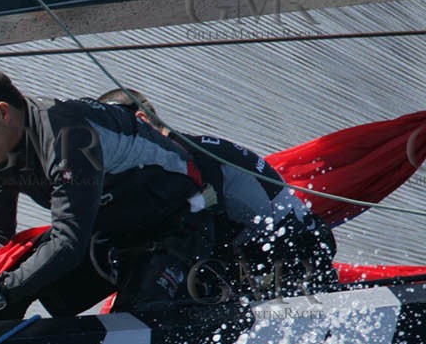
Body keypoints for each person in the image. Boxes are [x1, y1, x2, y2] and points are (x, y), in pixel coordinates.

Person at [0, 64, 218, 321]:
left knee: (133, 321)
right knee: (2, 285)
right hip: (106, 231)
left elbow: (68, 242)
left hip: (175, 223)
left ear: (3, 112)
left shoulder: (69, 138)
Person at [95, 88, 337, 299]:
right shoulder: (171, 162)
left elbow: (201, 228)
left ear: (143, 121)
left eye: (118, 130)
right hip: (265, 257)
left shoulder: (191, 156)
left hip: (297, 258)